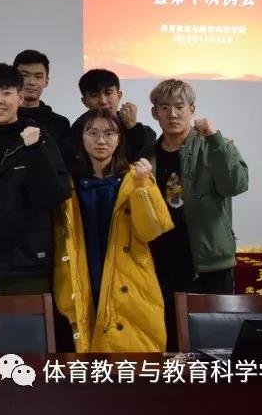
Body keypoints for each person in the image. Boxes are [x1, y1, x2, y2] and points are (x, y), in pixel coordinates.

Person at [53, 108, 173, 352]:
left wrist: (141, 187)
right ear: (81, 138)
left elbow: (150, 232)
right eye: (93, 133)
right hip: (83, 276)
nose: (101, 140)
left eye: (109, 133)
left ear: (119, 139)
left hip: (129, 278)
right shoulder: (68, 182)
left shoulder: (136, 176)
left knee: (130, 359)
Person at [146, 79, 249, 351]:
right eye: (164, 107)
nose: (173, 114)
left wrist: (216, 140)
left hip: (209, 261)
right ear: (155, 113)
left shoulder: (213, 145)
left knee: (216, 345)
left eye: (179, 107)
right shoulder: (147, 155)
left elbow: (235, 185)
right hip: (163, 261)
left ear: (192, 110)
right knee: (170, 343)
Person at [0, 64, 70, 296]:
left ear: (20, 97)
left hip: (28, 263)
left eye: (6, 92)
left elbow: (55, 195)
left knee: (31, 320)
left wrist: (35, 150)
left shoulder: (39, 137)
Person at [0, 50, 70, 148]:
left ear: (46, 81)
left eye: (38, 76)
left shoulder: (60, 123)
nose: (31, 82)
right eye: (24, 75)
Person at [61, 68, 156, 164]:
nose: (103, 101)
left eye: (108, 93)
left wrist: (132, 127)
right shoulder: (76, 133)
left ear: (119, 96)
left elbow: (146, 159)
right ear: (84, 101)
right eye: (94, 95)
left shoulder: (143, 132)